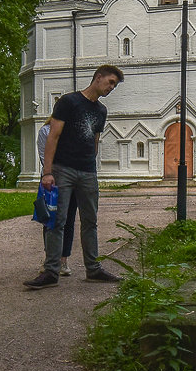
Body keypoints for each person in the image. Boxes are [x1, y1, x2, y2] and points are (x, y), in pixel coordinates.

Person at [24, 65, 124, 290]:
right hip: (63, 170)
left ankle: (93, 268)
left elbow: (95, 141)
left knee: (90, 221)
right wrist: (47, 172)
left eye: (114, 85)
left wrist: (89, 163)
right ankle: (51, 271)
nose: (111, 87)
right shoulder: (69, 102)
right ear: (98, 77)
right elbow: (53, 136)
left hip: (87, 173)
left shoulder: (101, 111)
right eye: (110, 82)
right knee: (56, 221)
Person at [37, 117, 78, 276]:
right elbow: (43, 156)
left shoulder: (74, 131)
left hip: (72, 182)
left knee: (68, 220)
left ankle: (63, 260)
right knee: (49, 219)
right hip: (51, 182)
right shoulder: (45, 131)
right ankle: (50, 259)